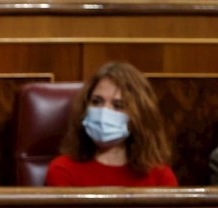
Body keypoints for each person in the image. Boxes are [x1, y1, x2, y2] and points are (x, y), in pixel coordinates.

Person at [45, 61, 178, 187]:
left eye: (118, 105)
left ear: (139, 116)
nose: (104, 112)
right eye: (97, 102)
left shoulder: (160, 176)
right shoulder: (63, 170)